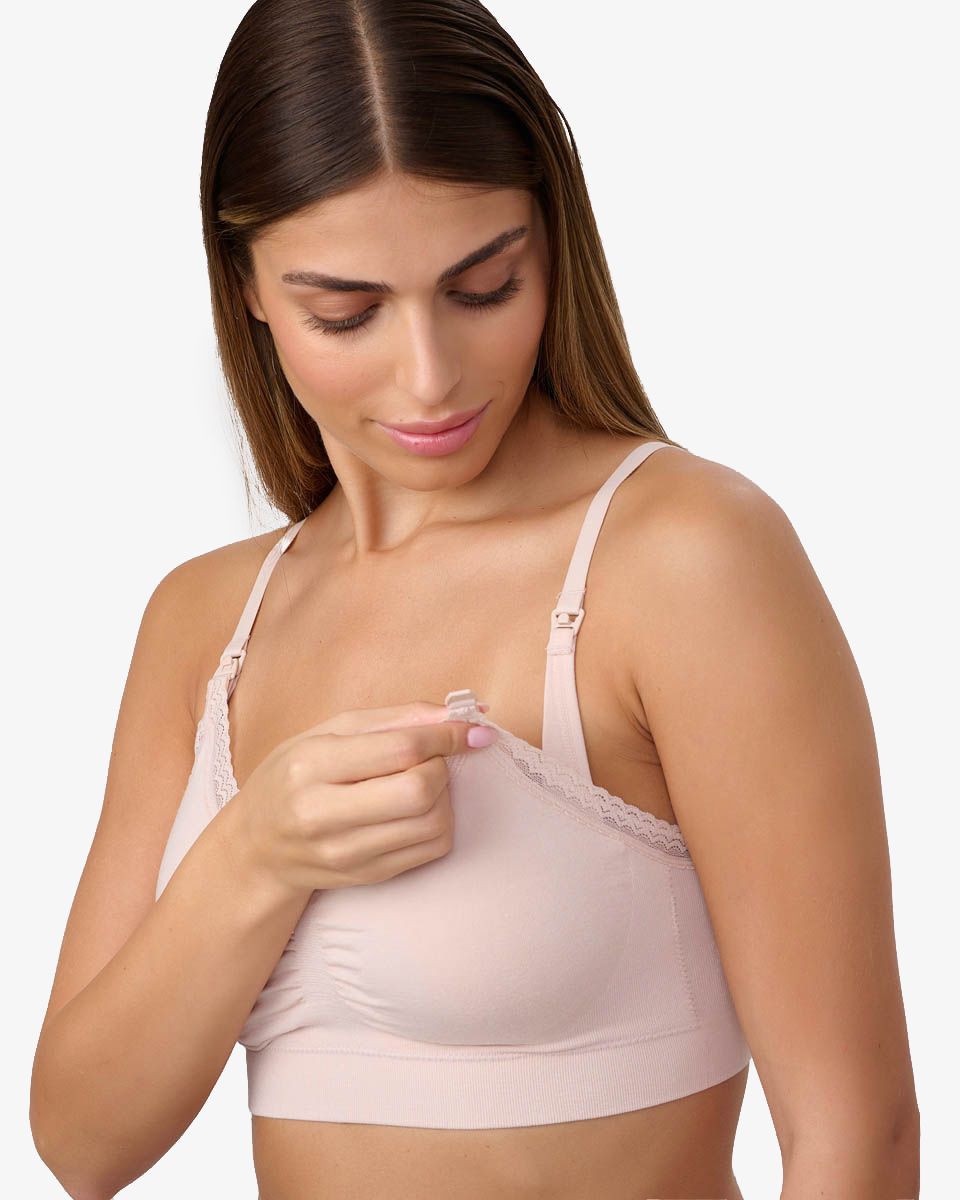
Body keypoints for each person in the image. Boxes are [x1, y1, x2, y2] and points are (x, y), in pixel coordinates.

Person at [30, 1, 920, 1197]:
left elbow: (857, 1136)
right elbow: (82, 1145)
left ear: (551, 241)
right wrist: (255, 855)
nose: (431, 377)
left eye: (485, 287)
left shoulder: (680, 561)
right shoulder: (205, 622)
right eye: (346, 312)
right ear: (245, 286)